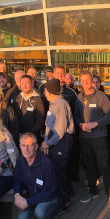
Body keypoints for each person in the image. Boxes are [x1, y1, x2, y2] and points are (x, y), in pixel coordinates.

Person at [73, 72, 110, 204]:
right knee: (89, 164)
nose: (85, 82)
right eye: (83, 80)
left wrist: (96, 123)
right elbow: (75, 116)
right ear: (80, 82)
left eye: (87, 80)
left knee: (103, 164)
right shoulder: (79, 97)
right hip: (84, 137)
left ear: (92, 81)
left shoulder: (100, 96)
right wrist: (80, 125)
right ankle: (93, 191)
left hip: (99, 136)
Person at [13, 133, 61, 219]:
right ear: (20, 146)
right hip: (33, 197)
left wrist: (27, 202)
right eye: (23, 145)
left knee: (40, 212)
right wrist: (16, 194)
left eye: (30, 145)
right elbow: (17, 180)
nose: (27, 149)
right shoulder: (21, 160)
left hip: (50, 199)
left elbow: (49, 192)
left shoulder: (46, 164)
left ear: (36, 147)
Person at [42, 81, 73, 211]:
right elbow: (49, 126)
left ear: (49, 92)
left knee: (58, 172)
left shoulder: (61, 104)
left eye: (45, 91)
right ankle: (62, 198)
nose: (44, 93)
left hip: (61, 142)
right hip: (52, 142)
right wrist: (45, 140)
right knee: (54, 172)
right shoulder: (53, 104)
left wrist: (47, 143)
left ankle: (64, 202)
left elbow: (60, 132)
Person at [15, 75, 46, 139]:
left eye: (27, 83)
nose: (25, 86)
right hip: (19, 136)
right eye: (22, 84)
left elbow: (40, 121)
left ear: (32, 84)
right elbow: (14, 118)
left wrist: (30, 134)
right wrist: (17, 132)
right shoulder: (18, 98)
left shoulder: (38, 99)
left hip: (32, 137)